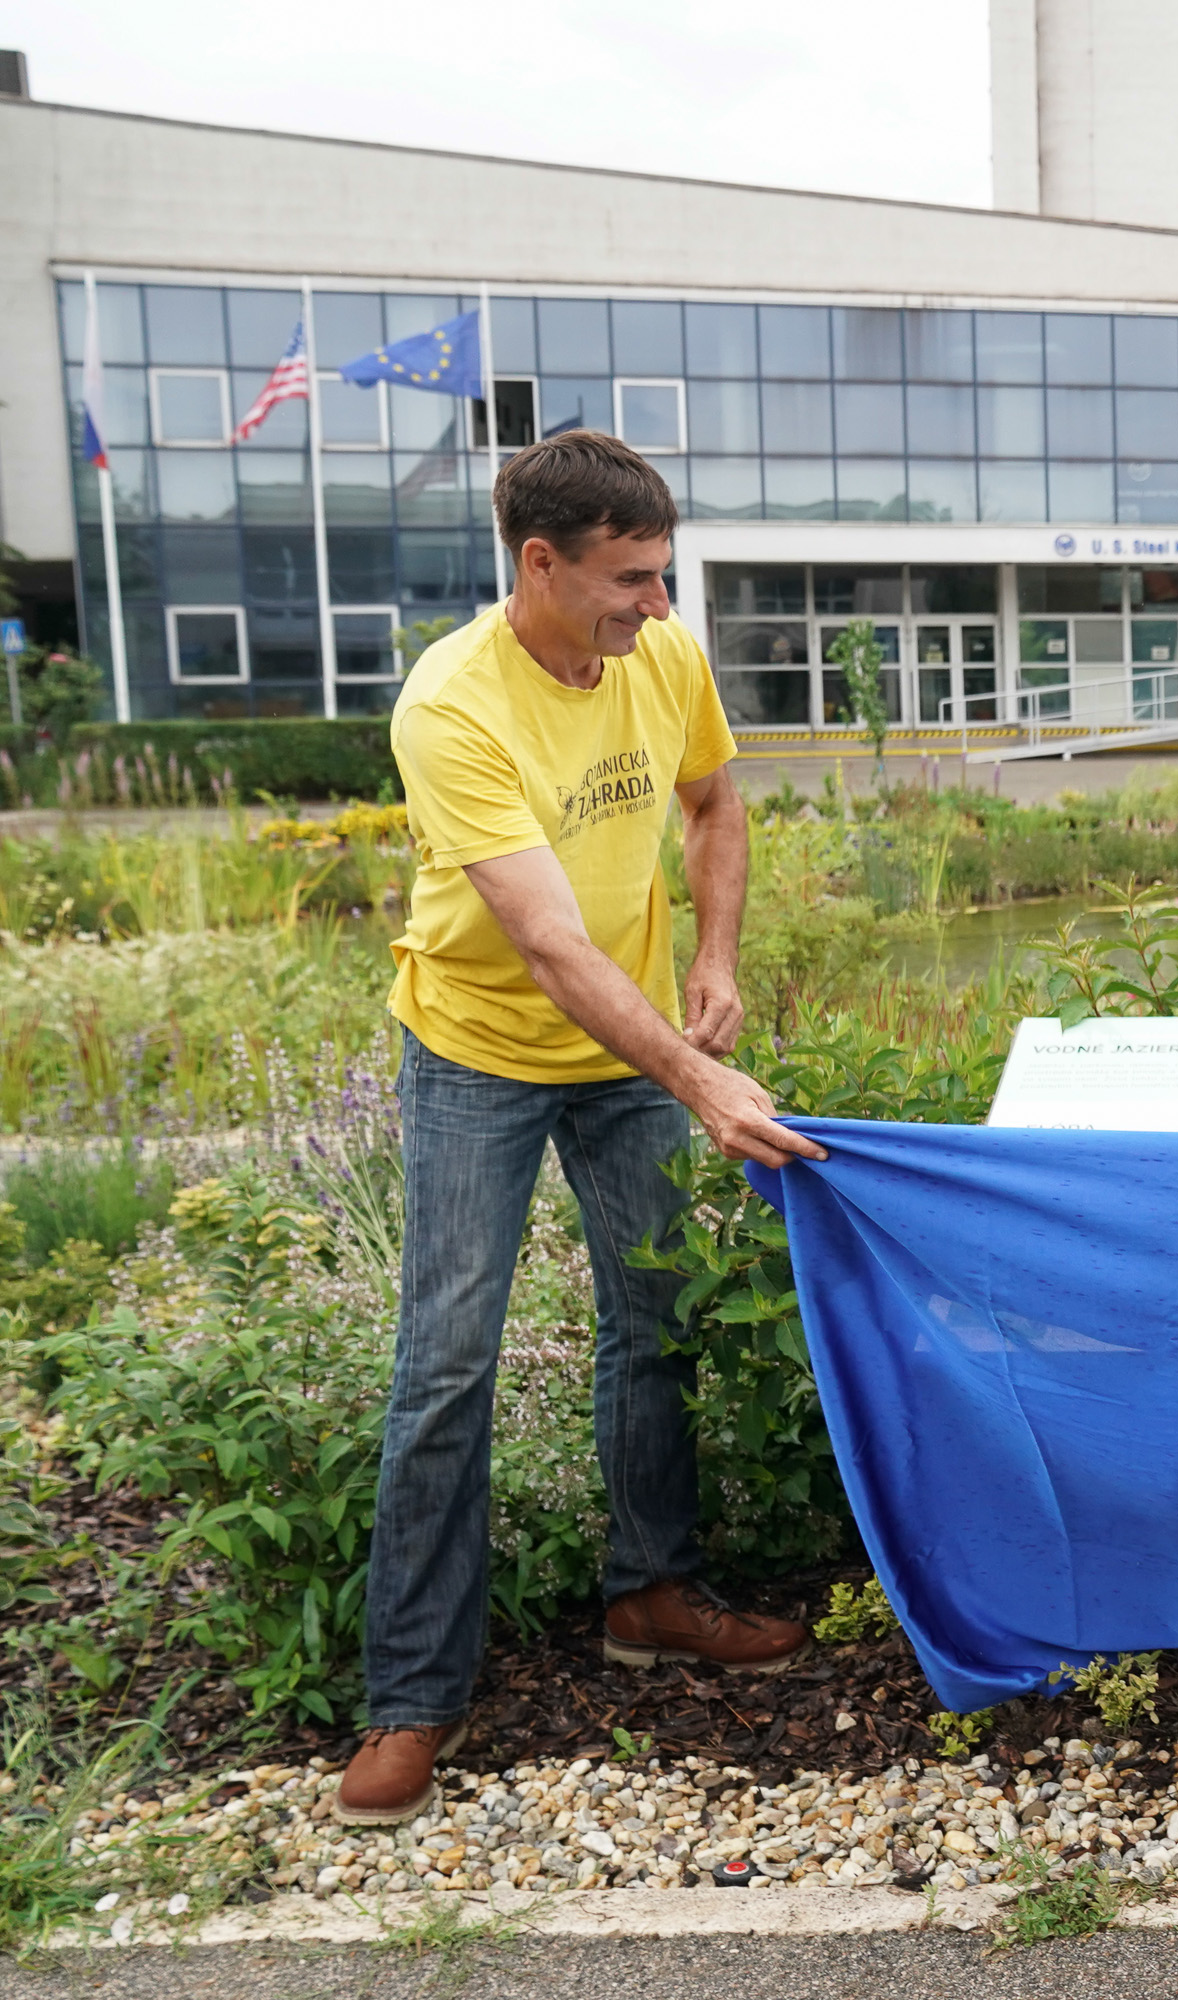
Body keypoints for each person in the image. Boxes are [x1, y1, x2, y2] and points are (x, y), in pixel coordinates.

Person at [338, 431, 830, 1827]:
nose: (657, 605)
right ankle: (414, 1697)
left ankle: (652, 1594)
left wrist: (715, 957)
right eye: (631, 579)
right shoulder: (453, 705)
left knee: (656, 1317)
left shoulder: (660, 655)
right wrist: (697, 1079)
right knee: (446, 1362)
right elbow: (549, 942)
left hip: (633, 1050)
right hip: (480, 1051)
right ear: (540, 563)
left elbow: (714, 804)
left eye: (664, 574)